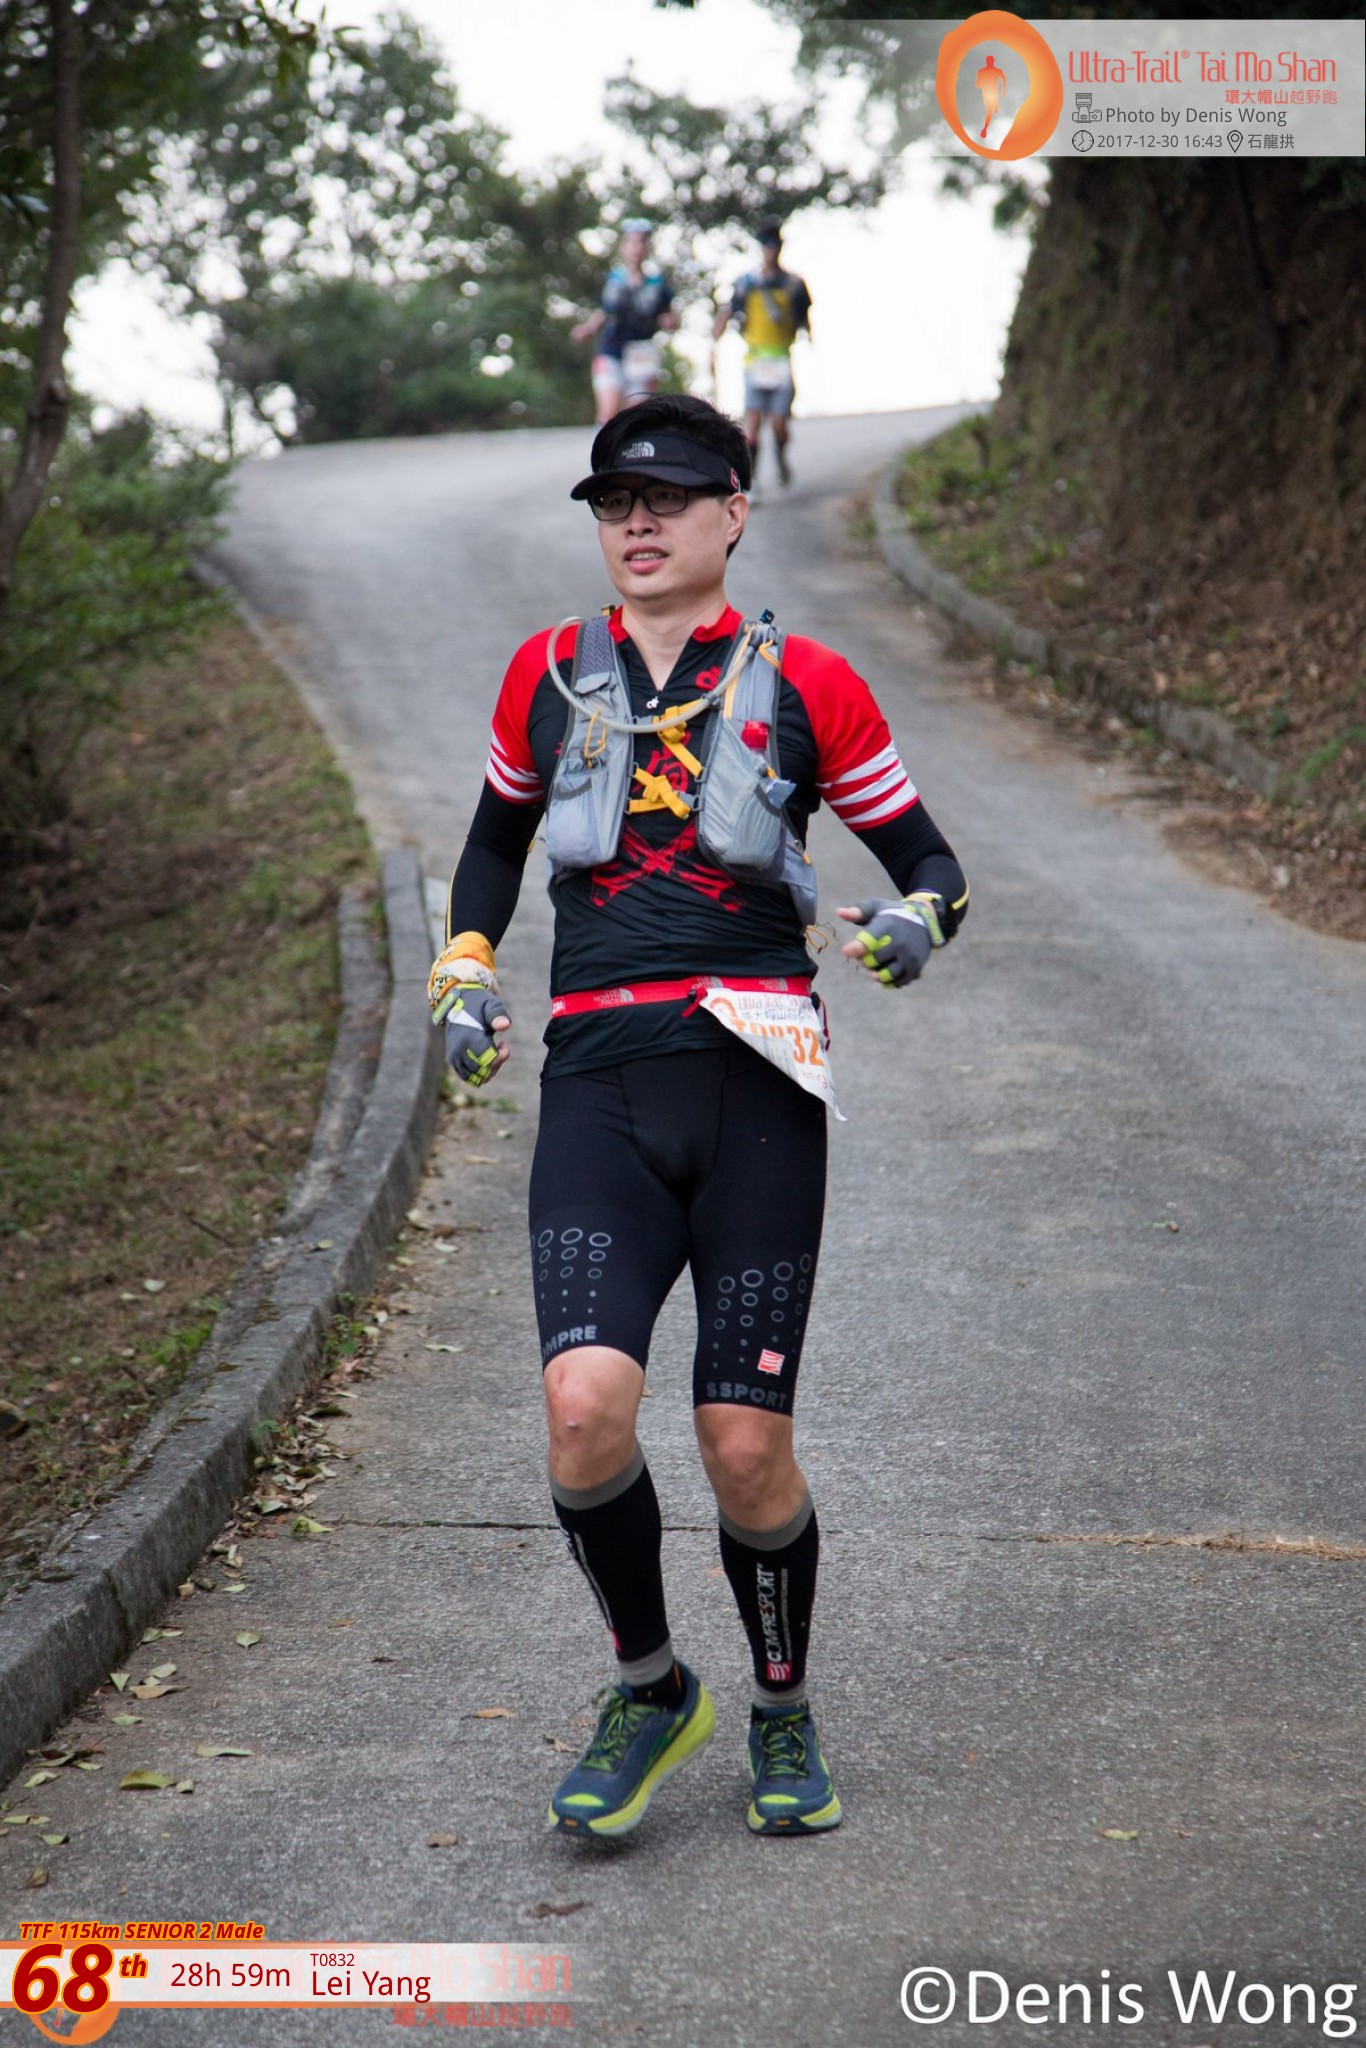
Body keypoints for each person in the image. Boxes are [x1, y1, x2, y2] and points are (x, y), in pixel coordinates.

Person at [427, 394, 968, 1840]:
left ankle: (782, 1705)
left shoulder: (810, 683)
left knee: (741, 1443)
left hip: (756, 1087)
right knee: (580, 1410)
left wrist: (911, 924)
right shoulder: (546, 674)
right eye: (615, 503)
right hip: (598, 1082)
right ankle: (652, 1687)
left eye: (667, 498)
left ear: (734, 510)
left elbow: (931, 863)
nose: (639, 523)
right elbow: (490, 847)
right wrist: (463, 973)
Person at [713, 220, 811, 489]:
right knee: (753, 422)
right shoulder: (746, 283)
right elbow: (728, 311)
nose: (771, 250)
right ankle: (750, 480)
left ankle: (780, 453)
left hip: (781, 359)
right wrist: (716, 336)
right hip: (755, 360)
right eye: (766, 245)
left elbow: (804, 316)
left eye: (774, 245)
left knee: (779, 423)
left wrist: (808, 336)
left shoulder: (793, 284)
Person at [571, 219, 678, 425]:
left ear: (647, 248)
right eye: (631, 242)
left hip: (642, 352)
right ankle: (603, 445)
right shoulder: (610, 280)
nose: (636, 248)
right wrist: (587, 329)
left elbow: (670, 316)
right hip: (611, 349)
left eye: (641, 243)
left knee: (635, 417)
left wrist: (669, 322)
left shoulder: (658, 285)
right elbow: (602, 311)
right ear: (622, 247)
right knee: (608, 413)